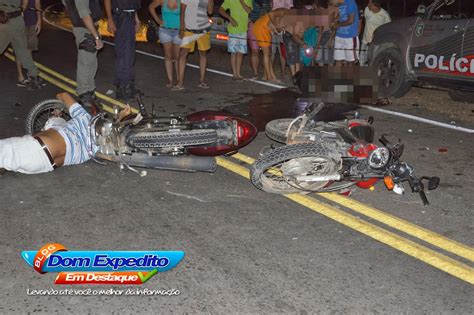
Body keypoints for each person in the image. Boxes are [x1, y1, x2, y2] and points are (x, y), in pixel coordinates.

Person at [0, 92, 131, 175]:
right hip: (43, 166)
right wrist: (120, 117)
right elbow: (112, 130)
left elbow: (62, 95)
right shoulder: (98, 150)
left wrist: (59, 107)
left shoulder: (84, 117)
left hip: (36, 148)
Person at [62, 0, 104, 107]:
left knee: (91, 62)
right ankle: (84, 93)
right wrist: (96, 37)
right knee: (86, 63)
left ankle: (89, 91)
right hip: (85, 29)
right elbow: (85, 15)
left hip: (85, 28)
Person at [0, 0, 42, 89]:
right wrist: (21, 10)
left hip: (4, 20)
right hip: (17, 19)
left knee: (22, 50)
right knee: (22, 50)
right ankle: (34, 77)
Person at [104, 0, 142, 100]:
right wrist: (110, 19)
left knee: (129, 54)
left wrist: (137, 20)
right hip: (121, 17)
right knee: (123, 53)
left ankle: (127, 85)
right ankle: (123, 87)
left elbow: (132, 7)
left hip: (130, 17)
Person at [176, 0, 214, 90]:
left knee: (203, 54)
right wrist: (182, 26)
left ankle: (202, 81)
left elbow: (210, 11)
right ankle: (180, 82)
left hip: (203, 29)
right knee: (183, 54)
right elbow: (182, 9)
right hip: (189, 29)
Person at [149, 0, 181, 88]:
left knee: (177, 56)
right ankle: (170, 80)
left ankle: (179, 80)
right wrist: (158, 20)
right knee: (168, 56)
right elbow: (151, 7)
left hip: (178, 31)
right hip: (165, 30)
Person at [219, 0, 252, 81]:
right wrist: (230, 18)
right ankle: (234, 74)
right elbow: (220, 10)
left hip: (243, 30)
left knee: (240, 53)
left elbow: (248, 11)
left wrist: (242, 1)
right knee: (233, 53)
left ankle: (238, 73)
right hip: (233, 30)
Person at [253, 8, 286, 83]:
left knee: (269, 54)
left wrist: (277, 29)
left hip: (265, 29)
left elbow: (273, 26)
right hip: (261, 27)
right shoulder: (284, 12)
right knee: (266, 53)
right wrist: (276, 27)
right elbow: (271, 14)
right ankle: (269, 77)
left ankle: (269, 76)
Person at [14, 0, 42, 87]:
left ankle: (31, 75)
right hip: (19, 23)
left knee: (30, 49)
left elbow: (37, 3)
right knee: (20, 50)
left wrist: (39, 20)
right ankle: (20, 77)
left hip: (32, 21)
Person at [359, 0, 390, 66]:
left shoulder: (384, 15)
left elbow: (388, 30)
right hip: (365, 41)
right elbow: (362, 19)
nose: (367, 4)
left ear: (374, 5)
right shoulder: (366, 10)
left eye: (369, 3)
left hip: (376, 43)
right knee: (362, 61)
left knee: (373, 61)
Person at [247, 0, 271, 80]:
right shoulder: (251, 1)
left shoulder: (267, 1)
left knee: (266, 52)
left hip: (264, 27)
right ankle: (255, 73)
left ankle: (266, 74)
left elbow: (270, 12)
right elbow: (248, 10)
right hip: (254, 25)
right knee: (255, 51)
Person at [332, 0, 359, 66]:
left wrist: (338, 25)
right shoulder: (340, 4)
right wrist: (335, 20)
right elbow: (342, 15)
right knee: (338, 59)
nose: (332, 4)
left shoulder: (350, 2)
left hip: (350, 37)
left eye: (331, 1)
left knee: (350, 61)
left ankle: (349, 76)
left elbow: (351, 20)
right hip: (339, 35)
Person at [271, 0, 293, 77]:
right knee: (271, 52)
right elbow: (270, 10)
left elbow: (289, 11)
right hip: (272, 26)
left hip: (283, 26)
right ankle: (270, 72)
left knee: (282, 52)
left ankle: (283, 73)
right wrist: (275, 25)